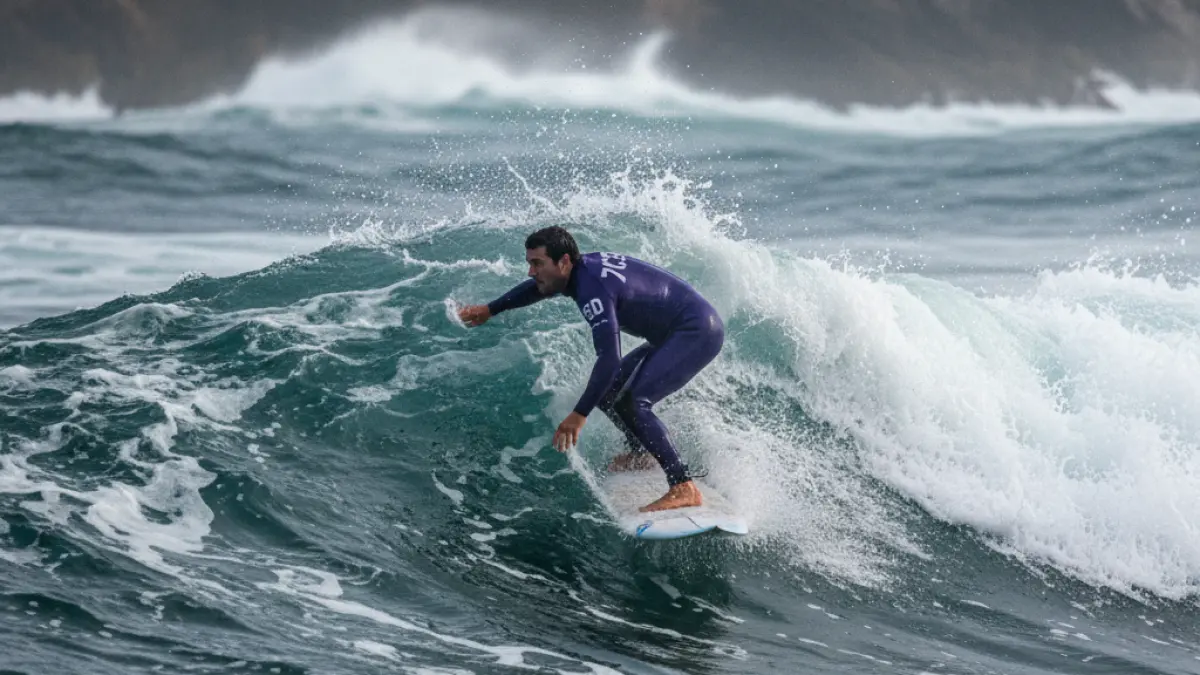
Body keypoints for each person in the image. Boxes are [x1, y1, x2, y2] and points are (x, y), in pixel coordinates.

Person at [456, 226, 724, 512]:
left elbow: (609, 358)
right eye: (529, 263)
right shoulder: (580, 270)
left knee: (635, 401)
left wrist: (578, 415)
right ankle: (642, 453)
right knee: (609, 393)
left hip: (695, 331)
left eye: (537, 264)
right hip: (675, 331)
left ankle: (682, 484)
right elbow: (538, 289)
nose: (531, 272)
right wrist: (491, 309)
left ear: (564, 262)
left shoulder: (592, 290)